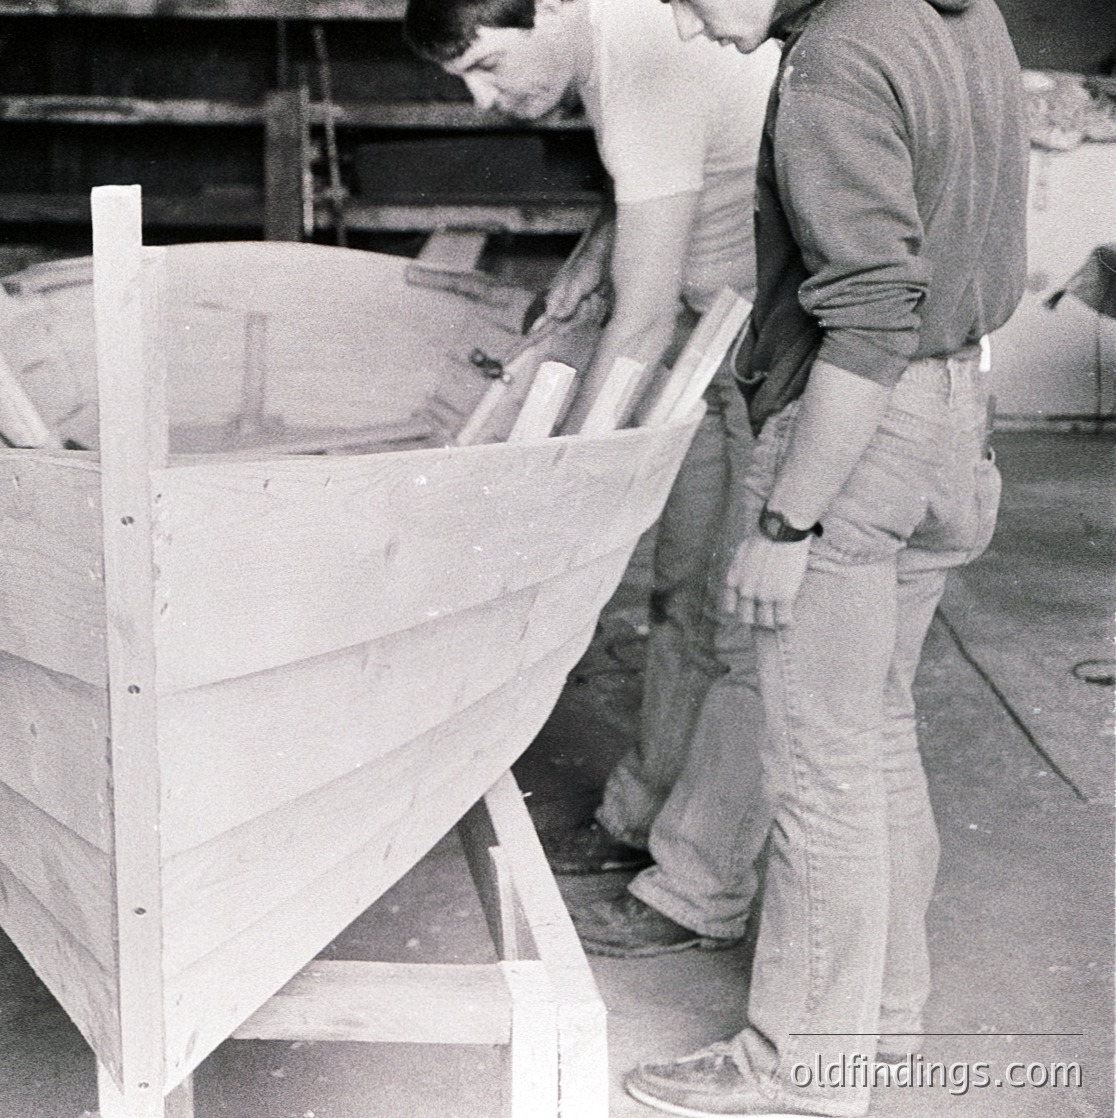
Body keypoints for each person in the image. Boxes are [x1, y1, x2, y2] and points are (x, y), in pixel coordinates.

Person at [624, 0, 1026, 1112]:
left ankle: (800, 1064)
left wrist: (786, 521)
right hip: (958, 414)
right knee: (877, 736)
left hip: (858, 432)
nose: (681, 16)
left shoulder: (836, 60)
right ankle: (879, 1024)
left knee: (818, 771)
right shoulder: (960, 14)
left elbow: (872, 315)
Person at [403, 0, 781, 957]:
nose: (487, 100)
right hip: (717, 329)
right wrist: (598, 248)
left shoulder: (639, 50)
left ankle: (696, 885)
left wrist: (567, 477)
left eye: (488, 65)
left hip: (766, 355)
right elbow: (672, 178)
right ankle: (641, 818)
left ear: (547, 9)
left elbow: (642, 324)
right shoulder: (616, 50)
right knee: (681, 592)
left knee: (744, 628)